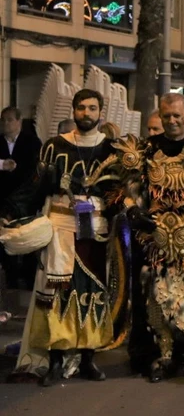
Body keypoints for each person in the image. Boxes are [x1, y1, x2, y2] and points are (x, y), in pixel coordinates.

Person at [9, 90, 121, 385]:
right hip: (59, 227)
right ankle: (56, 362)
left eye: (92, 108)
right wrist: (11, 213)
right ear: (73, 111)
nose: (86, 113)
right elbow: (35, 186)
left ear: (101, 112)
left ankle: (88, 359)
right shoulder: (54, 146)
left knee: (93, 293)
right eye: (81, 108)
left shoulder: (113, 151)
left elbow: (119, 195)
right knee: (55, 293)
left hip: (95, 232)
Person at [116, 92, 184, 382]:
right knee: (157, 298)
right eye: (167, 116)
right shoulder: (146, 150)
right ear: (161, 117)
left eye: (177, 115)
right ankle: (162, 355)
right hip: (156, 241)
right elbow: (129, 192)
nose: (173, 120)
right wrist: (135, 214)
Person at [0, 106, 43, 290]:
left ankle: (28, 277)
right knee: (4, 238)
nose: (5, 123)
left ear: (19, 121)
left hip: (25, 199)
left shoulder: (31, 142)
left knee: (26, 237)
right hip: (1, 198)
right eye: (3, 120)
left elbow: (34, 169)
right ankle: (9, 278)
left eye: (9, 119)